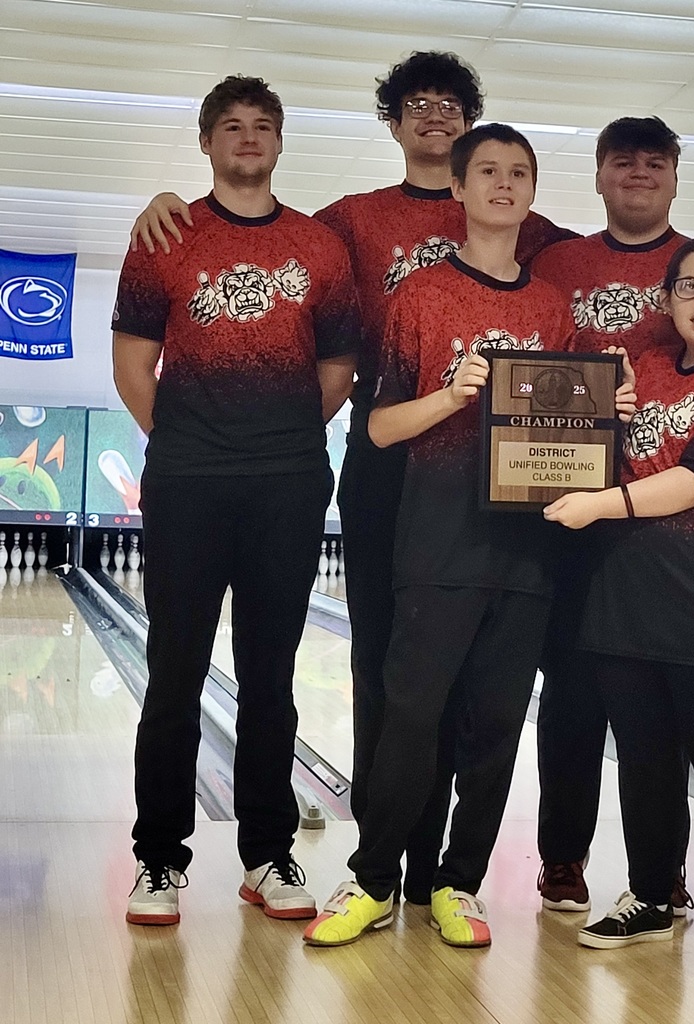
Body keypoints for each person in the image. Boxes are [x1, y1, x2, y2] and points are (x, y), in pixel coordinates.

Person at [127, 52, 574, 905]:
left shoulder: (527, 223)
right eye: (418, 105)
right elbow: (252, 218)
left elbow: (600, 260)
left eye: (453, 108)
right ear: (395, 122)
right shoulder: (342, 223)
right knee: (381, 664)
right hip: (383, 460)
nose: (436, 119)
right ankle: (378, 854)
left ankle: (418, 869)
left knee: (431, 675)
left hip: (486, 477)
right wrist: (165, 204)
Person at [302, 123, 634, 950]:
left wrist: (611, 414)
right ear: (457, 188)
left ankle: (459, 883)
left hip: (527, 544)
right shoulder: (419, 296)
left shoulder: (552, 307)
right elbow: (378, 427)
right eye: (487, 170)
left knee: (492, 724)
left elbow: (573, 434)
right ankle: (375, 879)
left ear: (531, 190)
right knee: (411, 714)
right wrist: (452, 395)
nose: (503, 184)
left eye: (518, 172)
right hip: (436, 535)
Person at [112, 75, 358, 926]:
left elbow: (335, 373)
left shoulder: (320, 247)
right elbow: (132, 365)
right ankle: (158, 859)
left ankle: (268, 854)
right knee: (174, 673)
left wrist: (277, 438)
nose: (247, 138)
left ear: (280, 143)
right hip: (187, 486)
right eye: (231, 126)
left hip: (285, 487)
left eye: (262, 126)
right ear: (208, 143)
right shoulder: (163, 237)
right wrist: (185, 442)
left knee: (270, 674)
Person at [531, 117, 694, 914]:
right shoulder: (638, 356)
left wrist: (594, 501)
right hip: (624, 575)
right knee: (633, 746)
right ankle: (638, 887)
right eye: (686, 289)